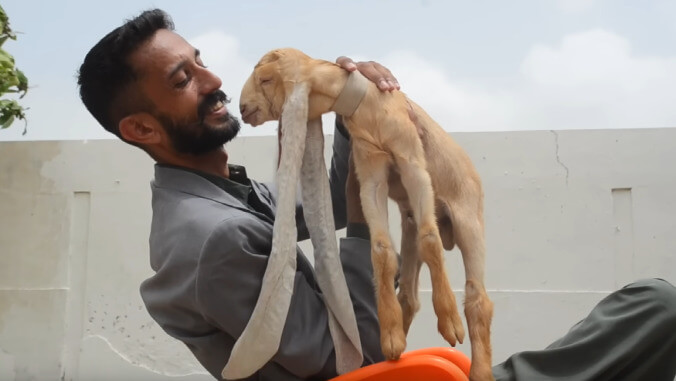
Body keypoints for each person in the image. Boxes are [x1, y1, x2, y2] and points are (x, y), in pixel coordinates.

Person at [77, 8, 676, 381]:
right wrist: (374, 213)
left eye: (200, 63)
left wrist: (351, 107)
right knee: (656, 308)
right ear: (141, 129)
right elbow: (356, 353)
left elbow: (321, 211)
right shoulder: (211, 237)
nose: (213, 83)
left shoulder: (220, 198)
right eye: (183, 80)